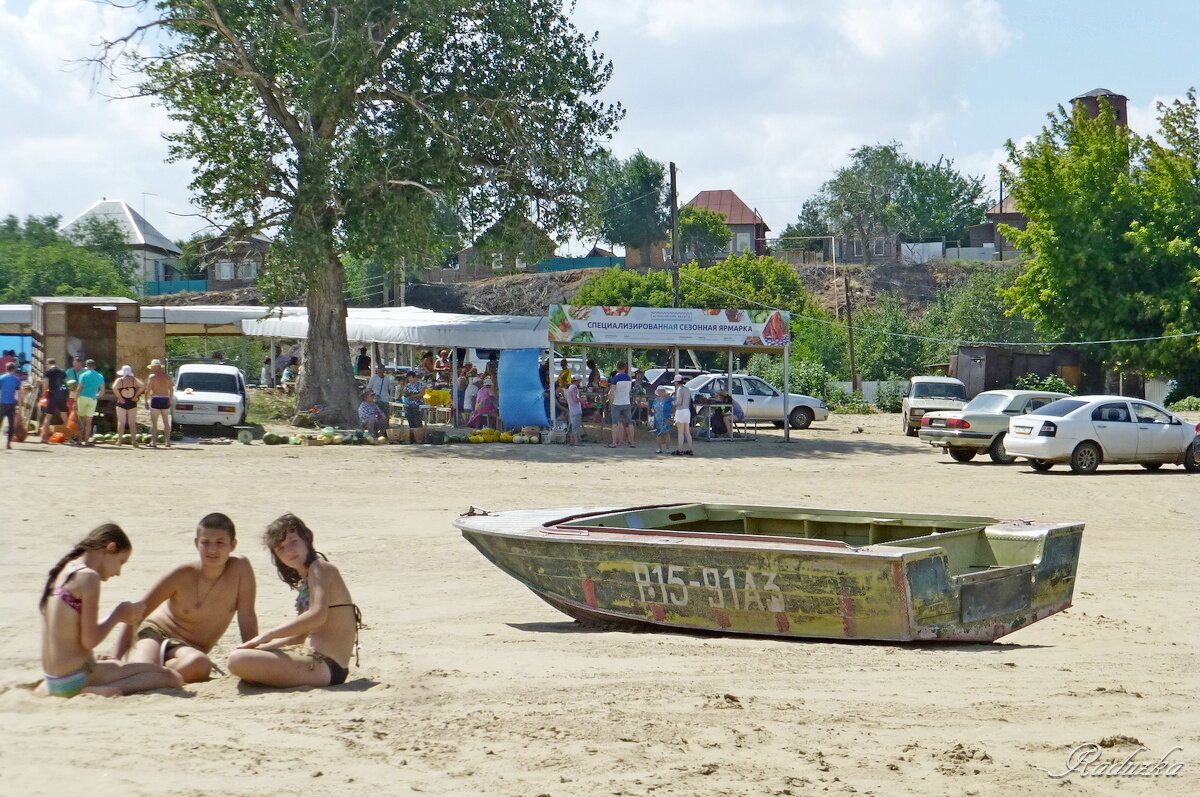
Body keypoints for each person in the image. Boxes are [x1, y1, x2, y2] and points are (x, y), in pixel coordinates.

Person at [39, 524, 182, 697]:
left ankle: (92, 687)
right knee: (171, 677)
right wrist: (117, 615)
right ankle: (99, 692)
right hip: (76, 678)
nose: (118, 572)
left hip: (54, 680)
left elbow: (75, 631)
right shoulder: (88, 577)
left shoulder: (65, 571)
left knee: (125, 667)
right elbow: (89, 641)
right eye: (121, 562)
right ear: (110, 548)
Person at [116, 513, 258, 682]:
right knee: (141, 668)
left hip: (187, 650)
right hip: (154, 633)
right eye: (206, 543)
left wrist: (253, 656)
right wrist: (116, 657)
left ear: (233, 545)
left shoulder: (240, 569)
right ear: (197, 543)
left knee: (199, 665)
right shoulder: (182, 574)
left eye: (220, 543)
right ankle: (142, 670)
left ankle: (153, 672)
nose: (212, 550)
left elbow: (247, 615)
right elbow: (137, 611)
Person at [228, 514, 361, 688]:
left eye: (293, 541)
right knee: (244, 656)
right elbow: (298, 637)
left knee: (237, 660)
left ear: (306, 539)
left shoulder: (320, 568)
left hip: (327, 665)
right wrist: (262, 647)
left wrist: (267, 636)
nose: (289, 550)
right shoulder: (307, 578)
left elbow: (317, 616)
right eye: (280, 548)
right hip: (317, 663)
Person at [75, 359, 106, 446]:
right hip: (92, 399)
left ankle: (79, 440)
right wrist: (97, 396)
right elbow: (102, 391)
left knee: (81, 420)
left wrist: (75, 400)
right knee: (89, 421)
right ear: (94, 366)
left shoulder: (83, 375)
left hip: (83, 398)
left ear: (86, 366)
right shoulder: (99, 376)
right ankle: (87, 441)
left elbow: (79, 388)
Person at [112, 365, 144, 447]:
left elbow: (114, 387)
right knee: (132, 423)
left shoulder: (120, 380)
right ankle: (134, 441)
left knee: (121, 422)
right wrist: (136, 396)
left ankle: (119, 441)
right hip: (132, 402)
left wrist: (119, 397)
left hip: (122, 402)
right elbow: (143, 386)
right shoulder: (134, 380)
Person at [40, 357, 70, 442]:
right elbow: (67, 382)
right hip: (62, 395)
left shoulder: (48, 372)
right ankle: (70, 437)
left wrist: (43, 394)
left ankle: (44, 438)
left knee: (48, 417)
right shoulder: (62, 371)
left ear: (48, 364)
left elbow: (45, 384)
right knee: (64, 417)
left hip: (52, 395)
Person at [145, 359, 174, 447]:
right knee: (166, 421)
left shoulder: (152, 377)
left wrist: (146, 400)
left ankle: (153, 442)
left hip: (156, 399)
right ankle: (167, 442)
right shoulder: (167, 377)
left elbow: (148, 389)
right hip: (165, 398)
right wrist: (170, 399)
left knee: (154, 422)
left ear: (155, 367)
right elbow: (171, 389)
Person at [606, 363, 635, 448]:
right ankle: (632, 442)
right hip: (626, 402)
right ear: (625, 368)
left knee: (615, 423)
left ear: (617, 368)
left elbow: (611, 392)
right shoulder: (629, 378)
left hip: (617, 403)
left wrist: (610, 401)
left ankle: (615, 442)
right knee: (630, 423)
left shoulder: (615, 379)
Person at [1, 361, 21, 449]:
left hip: (1, 403)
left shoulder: (1, 378)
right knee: (11, 423)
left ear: (6, 369)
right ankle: (8, 444)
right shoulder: (16, 380)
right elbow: (17, 394)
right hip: (11, 403)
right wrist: (19, 405)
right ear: (14, 369)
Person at [672, 375, 694, 456]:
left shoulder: (680, 390)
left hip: (680, 411)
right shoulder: (687, 389)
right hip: (687, 411)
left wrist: (673, 402)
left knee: (680, 432)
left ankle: (679, 449)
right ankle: (690, 449)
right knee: (687, 432)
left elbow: (678, 402)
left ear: (677, 382)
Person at [651, 387, 675, 454]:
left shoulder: (669, 399)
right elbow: (652, 408)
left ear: (665, 391)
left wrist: (673, 414)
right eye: (659, 391)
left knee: (666, 433)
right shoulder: (655, 400)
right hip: (657, 418)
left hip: (666, 418)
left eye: (662, 391)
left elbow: (674, 405)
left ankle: (667, 449)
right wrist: (653, 411)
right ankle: (659, 448)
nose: (660, 392)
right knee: (658, 434)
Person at [566, 374, 584, 446]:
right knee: (575, 426)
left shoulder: (570, 387)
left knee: (572, 425)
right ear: (578, 381)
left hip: (571, 409)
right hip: (576, 410)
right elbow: (575, 399)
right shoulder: (574, 388)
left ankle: (572, 441)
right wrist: (583, 400)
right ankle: (576, 441)